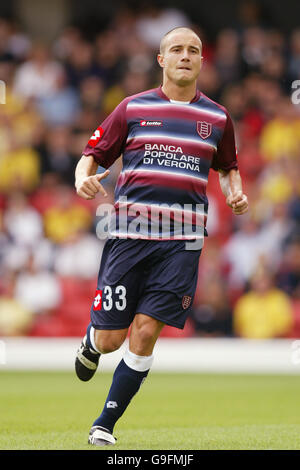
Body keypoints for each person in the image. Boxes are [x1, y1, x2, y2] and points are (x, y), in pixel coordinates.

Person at [74, 27, 248, 447]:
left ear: (202, 61)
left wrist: (234, 192)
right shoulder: (133, 108)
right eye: (176, 49)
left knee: (147, 330)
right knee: (113, 337)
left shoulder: (218, 118)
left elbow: (228, 167)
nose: (185, 56)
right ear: (161, 60)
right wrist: (83, 179)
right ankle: (93, 342)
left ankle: (104, 425)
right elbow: (92, 155)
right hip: (129, 236)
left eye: (193, 50)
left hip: (182, 242)